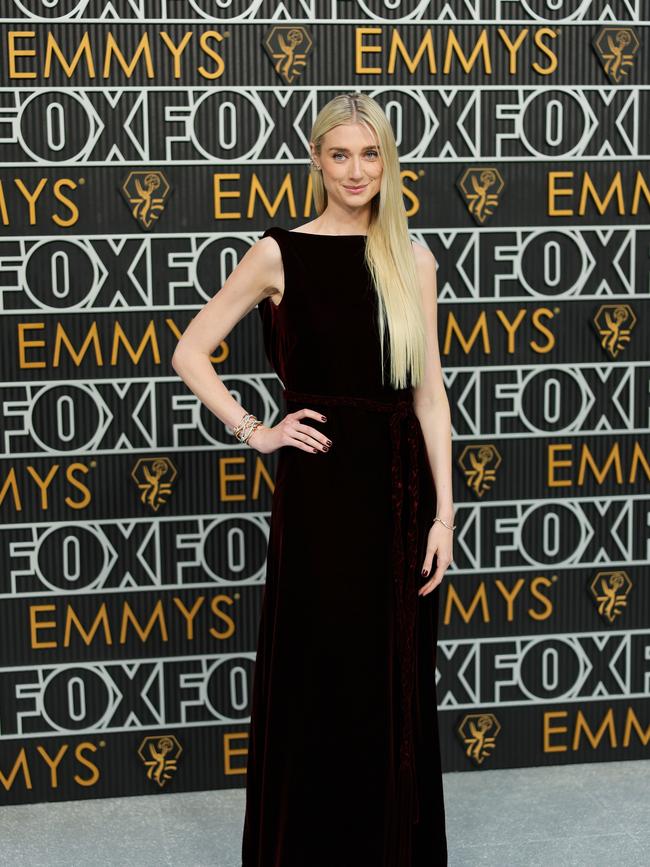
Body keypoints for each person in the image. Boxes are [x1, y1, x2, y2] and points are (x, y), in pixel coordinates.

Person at [172, 91, 453, 867]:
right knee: (320, 684)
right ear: (318, 161)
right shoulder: (278, 252)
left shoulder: (414, 258)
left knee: (393, 694)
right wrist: (258, 431)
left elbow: (430, 396)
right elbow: (190, 351)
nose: (356, 170)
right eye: (340, 155)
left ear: (387, 161)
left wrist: (445, 518)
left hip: (404, 503)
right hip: (322, 497)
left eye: (370, 154)